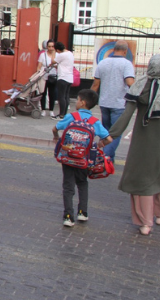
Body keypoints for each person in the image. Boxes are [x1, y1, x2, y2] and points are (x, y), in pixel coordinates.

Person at [107, 54, 160, 235]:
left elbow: (126, 115)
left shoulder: (139, 86)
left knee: (142, 177)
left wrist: (111, 136)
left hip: (144, 138)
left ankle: (145, 223)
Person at [51, 89, 112, 227]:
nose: (76, 102)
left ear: (83, 102)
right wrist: (99, 145)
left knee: (68, 186)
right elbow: (109, 139)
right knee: (82, 183)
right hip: (84, 158)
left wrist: (56, 138)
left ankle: (68, 216)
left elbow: (55, 128)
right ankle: (82, 213)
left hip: (68, 156)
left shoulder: (71, 116)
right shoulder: (94, 121)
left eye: (78, 100)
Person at [89, 40, 135, 162]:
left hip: (104, 102)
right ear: (125, 51)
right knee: (116, 133)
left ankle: (109, 157)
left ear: (114, 49)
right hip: (119, 103)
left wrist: (89, 100)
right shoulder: (126, 64)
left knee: (106, 131)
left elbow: (95, 84)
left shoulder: (102, 63)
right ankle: (106, 157)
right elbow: (130, 82)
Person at [52, 42, 74, 119]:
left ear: (58, 49)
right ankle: (64, 114)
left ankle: (61, 114)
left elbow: (53, 61)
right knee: (66, 96)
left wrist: (53, 53)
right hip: (70, 77)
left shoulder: (61, 55)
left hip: (63, 77)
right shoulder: (70, 53)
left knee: (61, 96)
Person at [37, 40, 57, 117]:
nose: (51, 48)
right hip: (44, 76)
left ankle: (51, 110)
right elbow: (39, 65)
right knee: (43, 93)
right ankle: (43, 110)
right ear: (47, 47)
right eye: (49, 46)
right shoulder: (43, 55)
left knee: (52, 94)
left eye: (52, 46)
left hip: (53, 76)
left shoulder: (57, 55)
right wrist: (38, 73)